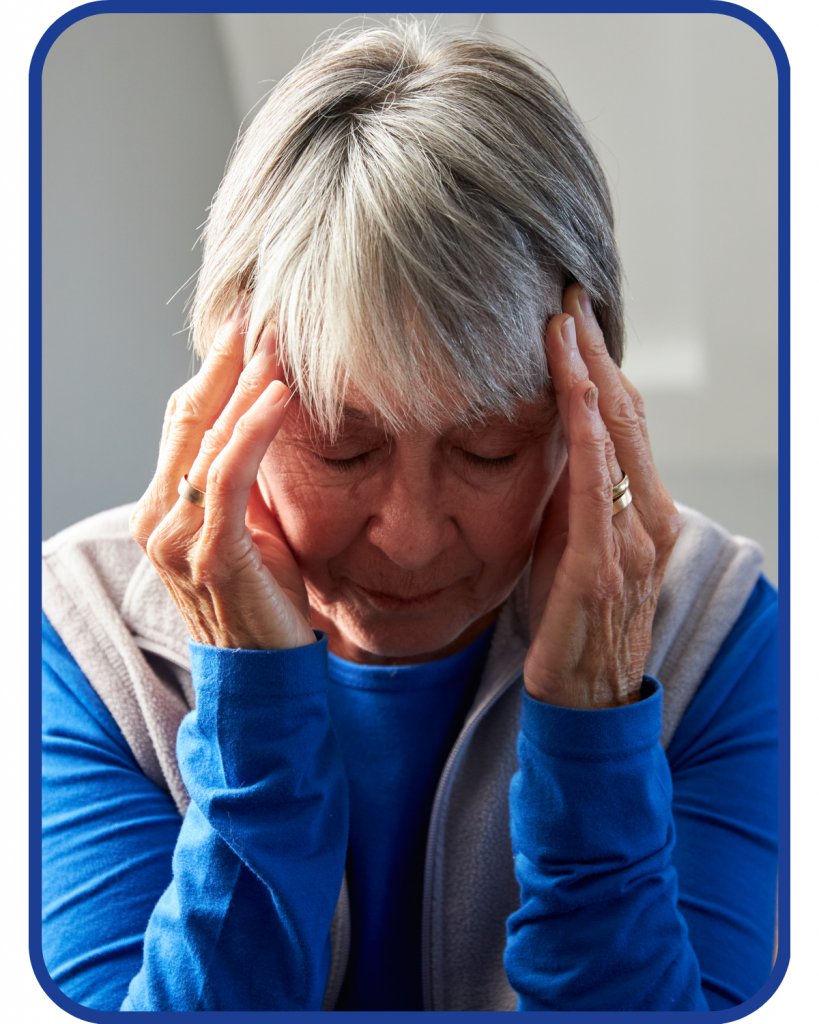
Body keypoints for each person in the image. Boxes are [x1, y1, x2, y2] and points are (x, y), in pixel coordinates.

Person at [41, 21, 777, 1013]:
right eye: (346, 447)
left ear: (585, 413)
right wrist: (253, 719)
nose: (413, 536)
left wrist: (597, 735)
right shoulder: (76, 643)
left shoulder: (718, 637)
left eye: (489, 452)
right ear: (222, 403)